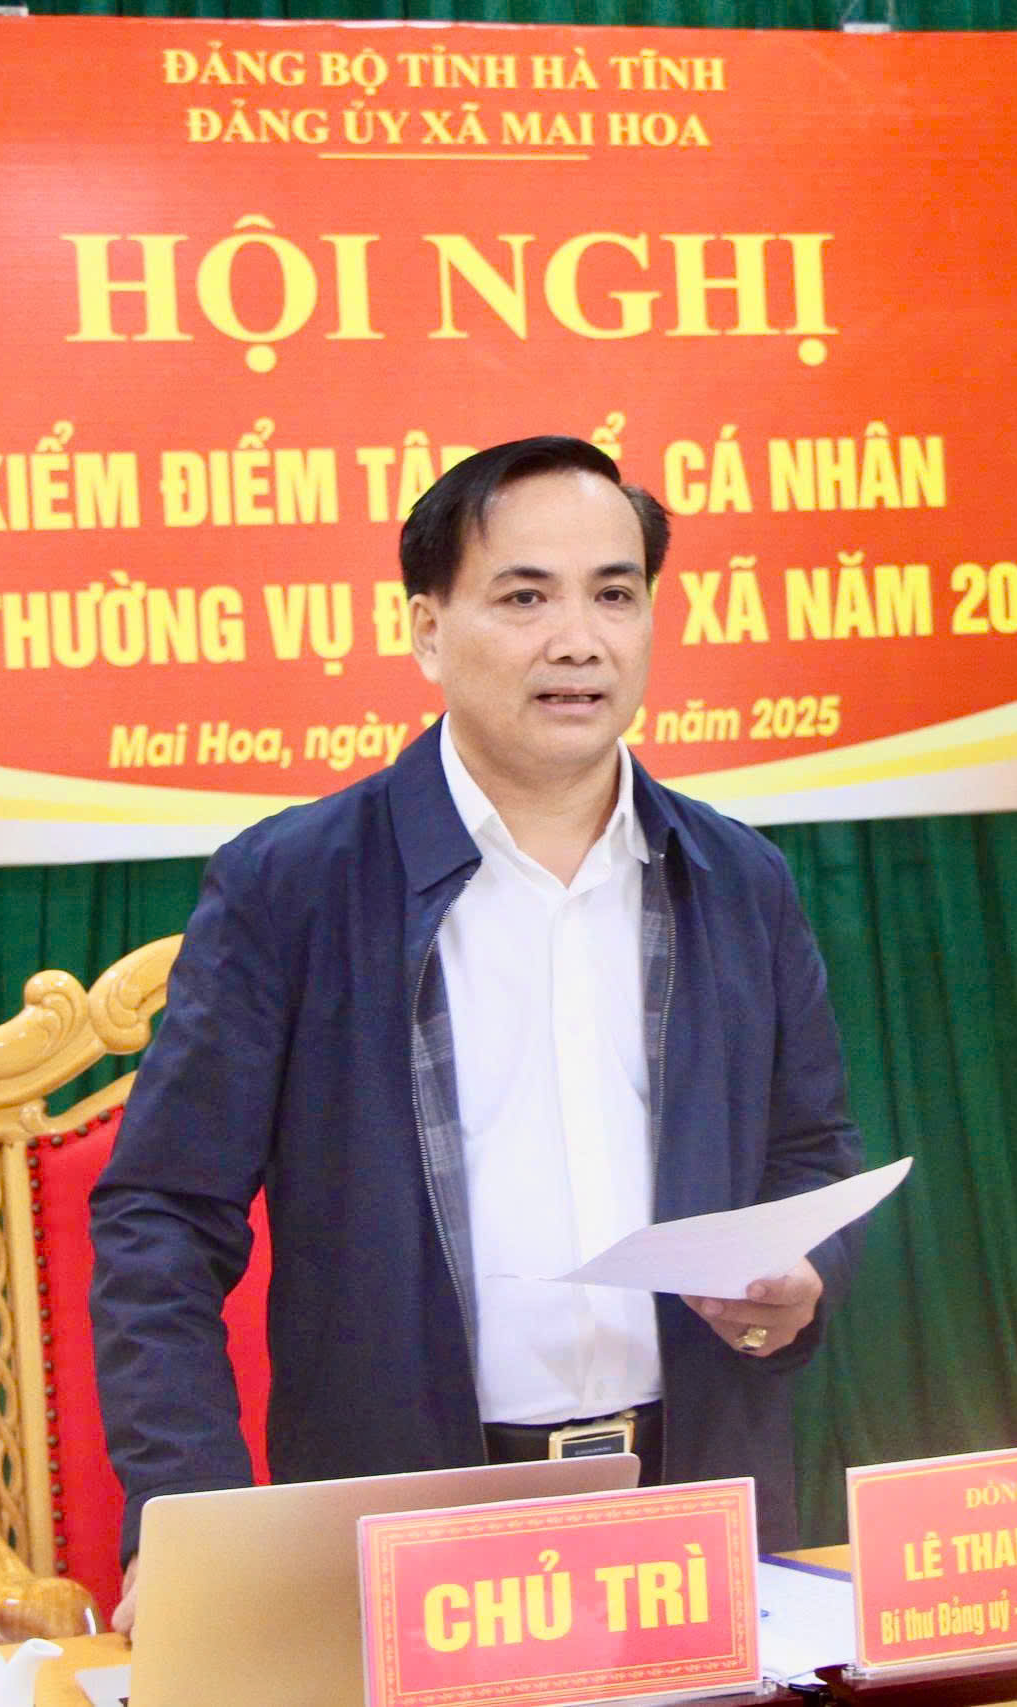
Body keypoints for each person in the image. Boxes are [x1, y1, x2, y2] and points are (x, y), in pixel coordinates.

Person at [89, 435, 865, 1629]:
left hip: (694, 1511)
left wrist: (802, 1280)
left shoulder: (736, 879)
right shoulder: (293, 886)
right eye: (524, 597)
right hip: (402, 1528)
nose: (579, 640)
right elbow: (162, 1218)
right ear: (425, 631)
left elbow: (811, 1157)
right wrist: (187, 1513)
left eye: (614, 595)